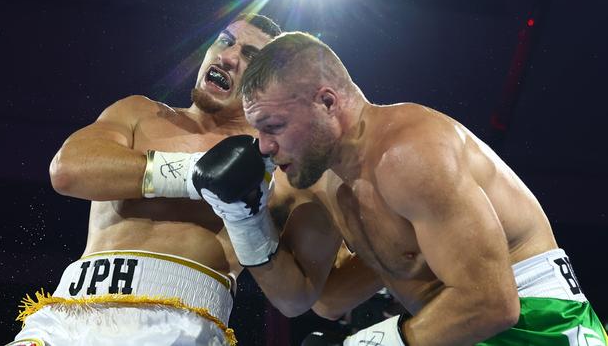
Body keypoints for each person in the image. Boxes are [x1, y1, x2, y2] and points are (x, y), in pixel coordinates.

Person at [197, 31, 607, 345]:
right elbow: (317, 300)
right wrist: (246, 223)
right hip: (461, 326)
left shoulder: (408, 154)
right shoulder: (328, 181)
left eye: (275, 127)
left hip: (539, 321)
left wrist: (378, 341)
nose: (266, 146)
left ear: (327, 102)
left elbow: (492, 302)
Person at [6, 14, 334, 346]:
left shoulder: (280, 166)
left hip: (181, 327)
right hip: (66, 316)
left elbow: (296, 300)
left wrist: (247, 221)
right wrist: (196, 174)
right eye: (225, 40)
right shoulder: (138, 112)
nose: (229, 57)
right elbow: (68, 170)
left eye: (249, 55)